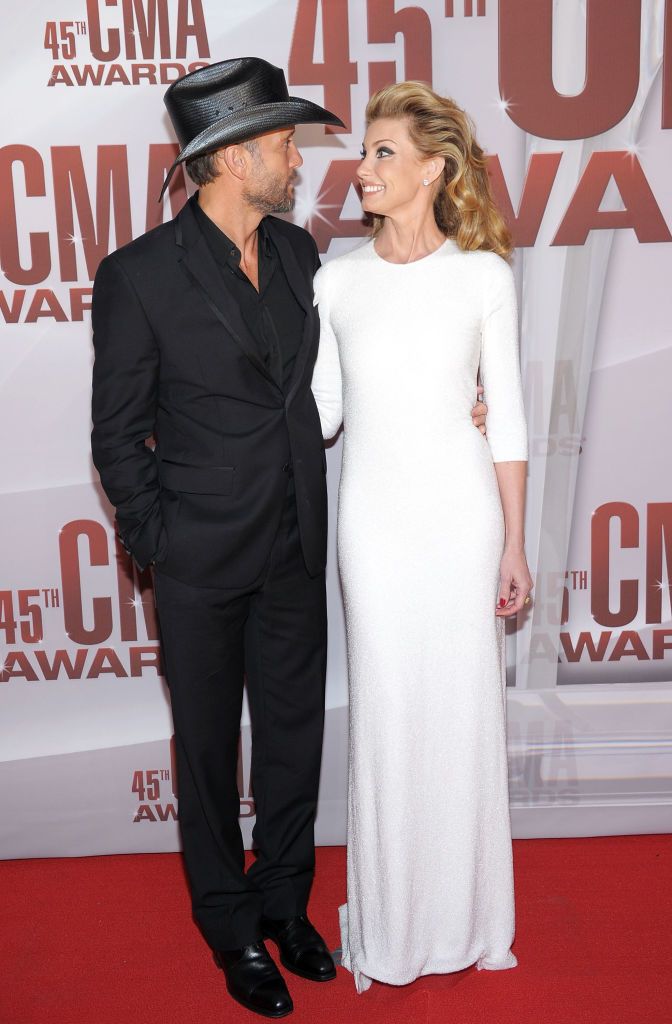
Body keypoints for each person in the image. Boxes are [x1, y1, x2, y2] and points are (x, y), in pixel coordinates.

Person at [91, 59, 488, 1017]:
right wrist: (160, 541)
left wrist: (451, 404)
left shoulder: (304, 258)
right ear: (228, 158)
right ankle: (230, 925)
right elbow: (116, 434)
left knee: (293, 741)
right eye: (279, 142)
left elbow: (337, 388)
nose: (295, 158)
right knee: (205, 752)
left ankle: (287, 906)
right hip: (197, 557)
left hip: (297, 547)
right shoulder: (138, 275)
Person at [310, 81, 533, 993]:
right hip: (373, 526)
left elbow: (508, 421)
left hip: (462, 522)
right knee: (390, 718)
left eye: (382, 154)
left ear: (434, 169)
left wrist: (516, 544)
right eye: (365, 153)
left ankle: (469, 919)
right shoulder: (335, 281)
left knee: (462, 717)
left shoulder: (484, 277)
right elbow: (320, 414)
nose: (361, 169)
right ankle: (395, 925)